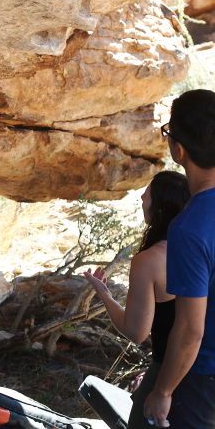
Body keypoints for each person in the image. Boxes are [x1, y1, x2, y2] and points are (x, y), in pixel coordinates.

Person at [84, 171, 190, 428]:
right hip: (202, 372)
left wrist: (105, 295)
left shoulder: (150, 260)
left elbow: (136, 331)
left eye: (149, 192)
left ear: (161, 206)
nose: (142, 196)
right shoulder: (199, 246)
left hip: (167, 373)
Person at [144, 89, 215, 428]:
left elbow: (190, 330)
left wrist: (163, 390)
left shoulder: (189, 228)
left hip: (203, 383)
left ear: (178, 149)